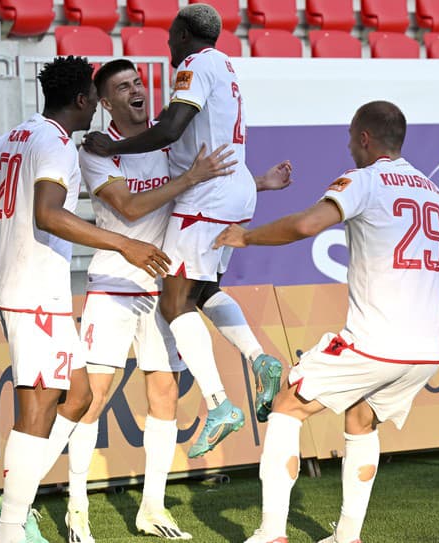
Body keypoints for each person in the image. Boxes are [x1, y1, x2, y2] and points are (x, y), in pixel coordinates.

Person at [214, 101, 439, 543]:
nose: (349, 145)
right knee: (361, 419)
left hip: (374, 341)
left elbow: (309, 224)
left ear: (365, 139)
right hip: (426, 350)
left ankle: (272, 532)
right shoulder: (433, 191)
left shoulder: (364, 181)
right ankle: (347, 536)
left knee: (287, 407)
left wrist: (247, 236)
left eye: (352, 137)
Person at [65, 58, 293, 543]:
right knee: (94, 396)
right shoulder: (98, 150)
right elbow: (129, 205)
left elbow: (206, 186)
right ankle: (77, 508)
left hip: (164, 283)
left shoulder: (166, 139)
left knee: (164, 395)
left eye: (138, 82)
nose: (136, 90)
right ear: (105, 103)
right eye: (123, 87)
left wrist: (259, 183)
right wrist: (190, 178)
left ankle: (151, 508)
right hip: (114, 287)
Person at [0, 56, 170, 543]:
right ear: (83, 100)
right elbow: (48, 215)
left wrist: (6, 201)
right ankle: (11, 526)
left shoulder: (12, 136)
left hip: (28, 289)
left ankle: (14, 498)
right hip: (33, 292)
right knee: (38, 409)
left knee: (80, 396)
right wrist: (125, 243)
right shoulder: (55, 144)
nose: (96, 107)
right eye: (94, 98)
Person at [82, 3, 284, 459]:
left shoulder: (194, 64)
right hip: (232, 187)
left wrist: (115, 145)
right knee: (203, 288)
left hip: (207, 197)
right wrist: (261, 183)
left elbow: (172, 129)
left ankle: (219, 405)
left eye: (172, 35)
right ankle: (260, 359)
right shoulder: (226, 65)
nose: (169, 44)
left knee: (174, 303)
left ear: (187, 36)